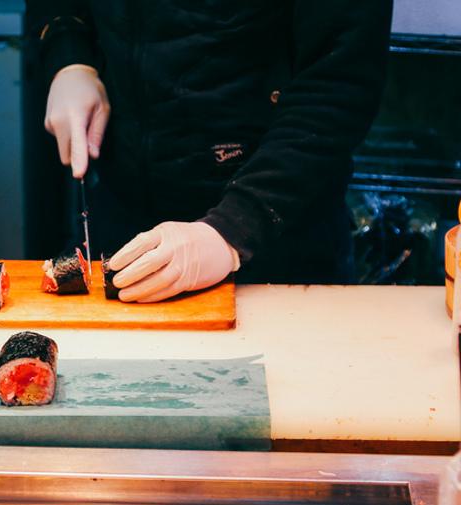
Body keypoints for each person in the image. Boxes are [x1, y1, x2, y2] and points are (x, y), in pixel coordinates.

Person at [29, 1, 393, 302]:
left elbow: (338, 83)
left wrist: (234, 230)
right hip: (121, 215)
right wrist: (69, 56)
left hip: (276, 236)